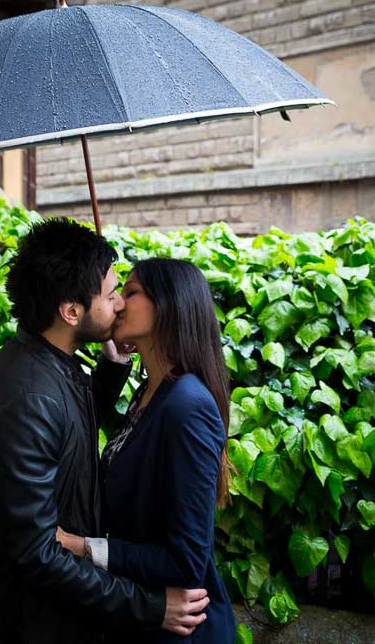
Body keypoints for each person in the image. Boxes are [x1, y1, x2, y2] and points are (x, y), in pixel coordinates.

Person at [0, 220, 209, 643]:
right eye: (111, 292)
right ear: (71, 311)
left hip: (69, 610)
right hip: (42, 623)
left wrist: (112, 370)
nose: (119, 304)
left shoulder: (49, 363)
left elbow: (68, 439)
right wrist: (150, 606)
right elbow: (37, 555)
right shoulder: (29, 395)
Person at [56, 258, 237, 643]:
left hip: (182, 631)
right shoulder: (152, 393)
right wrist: (113, 363)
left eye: (132, 292)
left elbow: (184, 561)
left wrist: (82, 547)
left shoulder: (188, 405)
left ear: (169, 305)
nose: (118, 303)